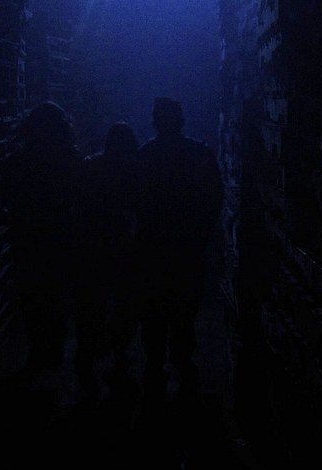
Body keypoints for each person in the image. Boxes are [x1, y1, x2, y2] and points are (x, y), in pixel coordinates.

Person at [135, 97, 224, 408]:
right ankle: (183, 359)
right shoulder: (199, 154)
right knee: (185, 307)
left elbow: (134, 200)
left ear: (156, 121)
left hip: (154, 247)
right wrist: (203, 234)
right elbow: (215, 196)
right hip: (188, 246)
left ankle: (155, 362)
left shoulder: (146, 155)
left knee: (154, 309)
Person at [2, 101, 80, 372]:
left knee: (32, 292)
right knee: (55, 291)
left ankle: (39, 346)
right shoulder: (71, 158)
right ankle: (53, 345)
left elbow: (8, 198)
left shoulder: (18, 161)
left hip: (28, 237)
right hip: (59, 235)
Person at [72, 121, 142, 409]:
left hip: (93, 248)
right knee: (124, 304)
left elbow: (78, 206)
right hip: (122, 247)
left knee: (93, 304)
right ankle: (119, 354)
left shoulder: (91, 167)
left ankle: (88, 358)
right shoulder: (134, 171)